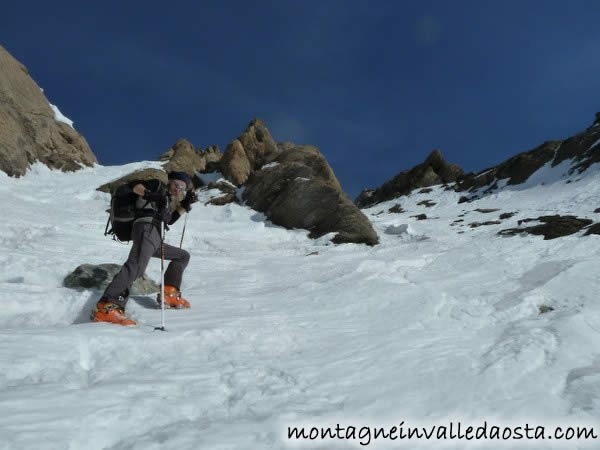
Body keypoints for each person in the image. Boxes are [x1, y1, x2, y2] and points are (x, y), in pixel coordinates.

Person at [91, 171, 198, 326]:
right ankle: (107, 306)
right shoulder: (157, 185)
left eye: (182, 189)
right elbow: (134, 186)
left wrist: (185, 205)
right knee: (136, 266)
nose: (179, 189)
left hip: (155, 237)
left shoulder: (167, 200)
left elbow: (169, 220)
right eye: (177, 185)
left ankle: (169, 293)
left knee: (182, 256)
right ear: (171, 181)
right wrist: (151, 195)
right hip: (146, 228)